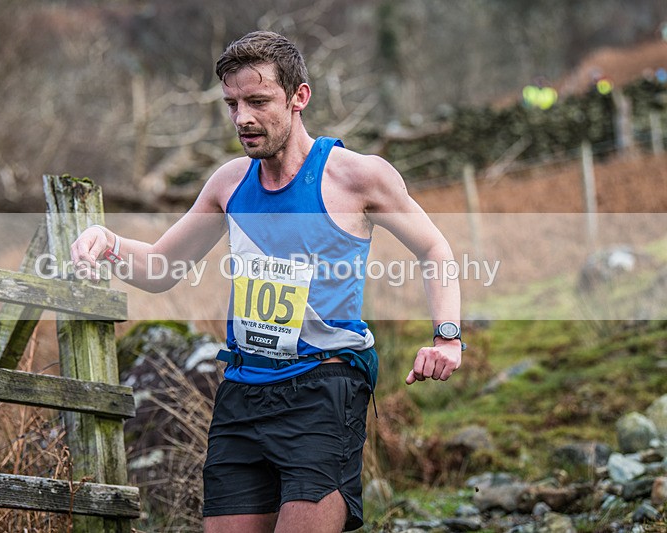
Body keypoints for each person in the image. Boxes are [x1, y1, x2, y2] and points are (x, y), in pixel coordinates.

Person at [71, 30, 462, 533]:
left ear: (299, 97)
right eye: (232, 104)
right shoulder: (229, 183)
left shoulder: (357, 177)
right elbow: (160, 269)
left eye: (258, 101)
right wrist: (108, 243)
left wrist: (446, 336)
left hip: (324, 389)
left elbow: (435, 249)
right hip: (242, 392)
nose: (242, 119)